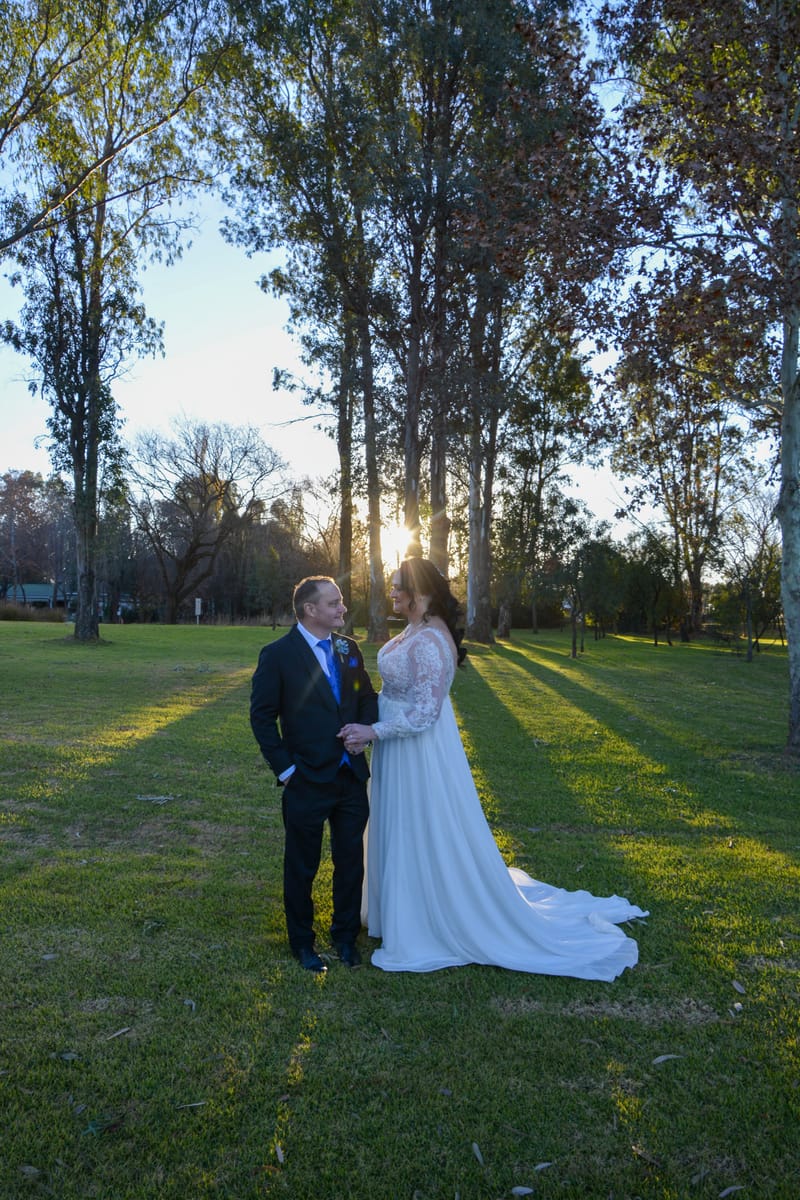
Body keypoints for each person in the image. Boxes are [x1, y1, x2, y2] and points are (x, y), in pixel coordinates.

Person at [339, 557, 648, 980]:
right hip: (397, 746)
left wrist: (373, 731)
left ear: (420, 592)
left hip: (415, 751)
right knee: (400, 825)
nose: (391, 593)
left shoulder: (430, 641)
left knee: (419, 827)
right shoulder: (415, 629)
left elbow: (426, 714)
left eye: (397, 588)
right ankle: (394, 909)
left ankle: (422, 917)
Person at [250, 576, 379, 973]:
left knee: (350, 861)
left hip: (351, 776)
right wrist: (287, 770)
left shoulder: (348, 648)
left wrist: (364, 732)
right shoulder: (278, 655)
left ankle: (344, 938)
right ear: (310, 610)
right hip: (305, 779)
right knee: (303, 865)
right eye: (334, 603)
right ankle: (302, 942)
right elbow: (262, 717)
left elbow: (367, 698)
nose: (343, 608)